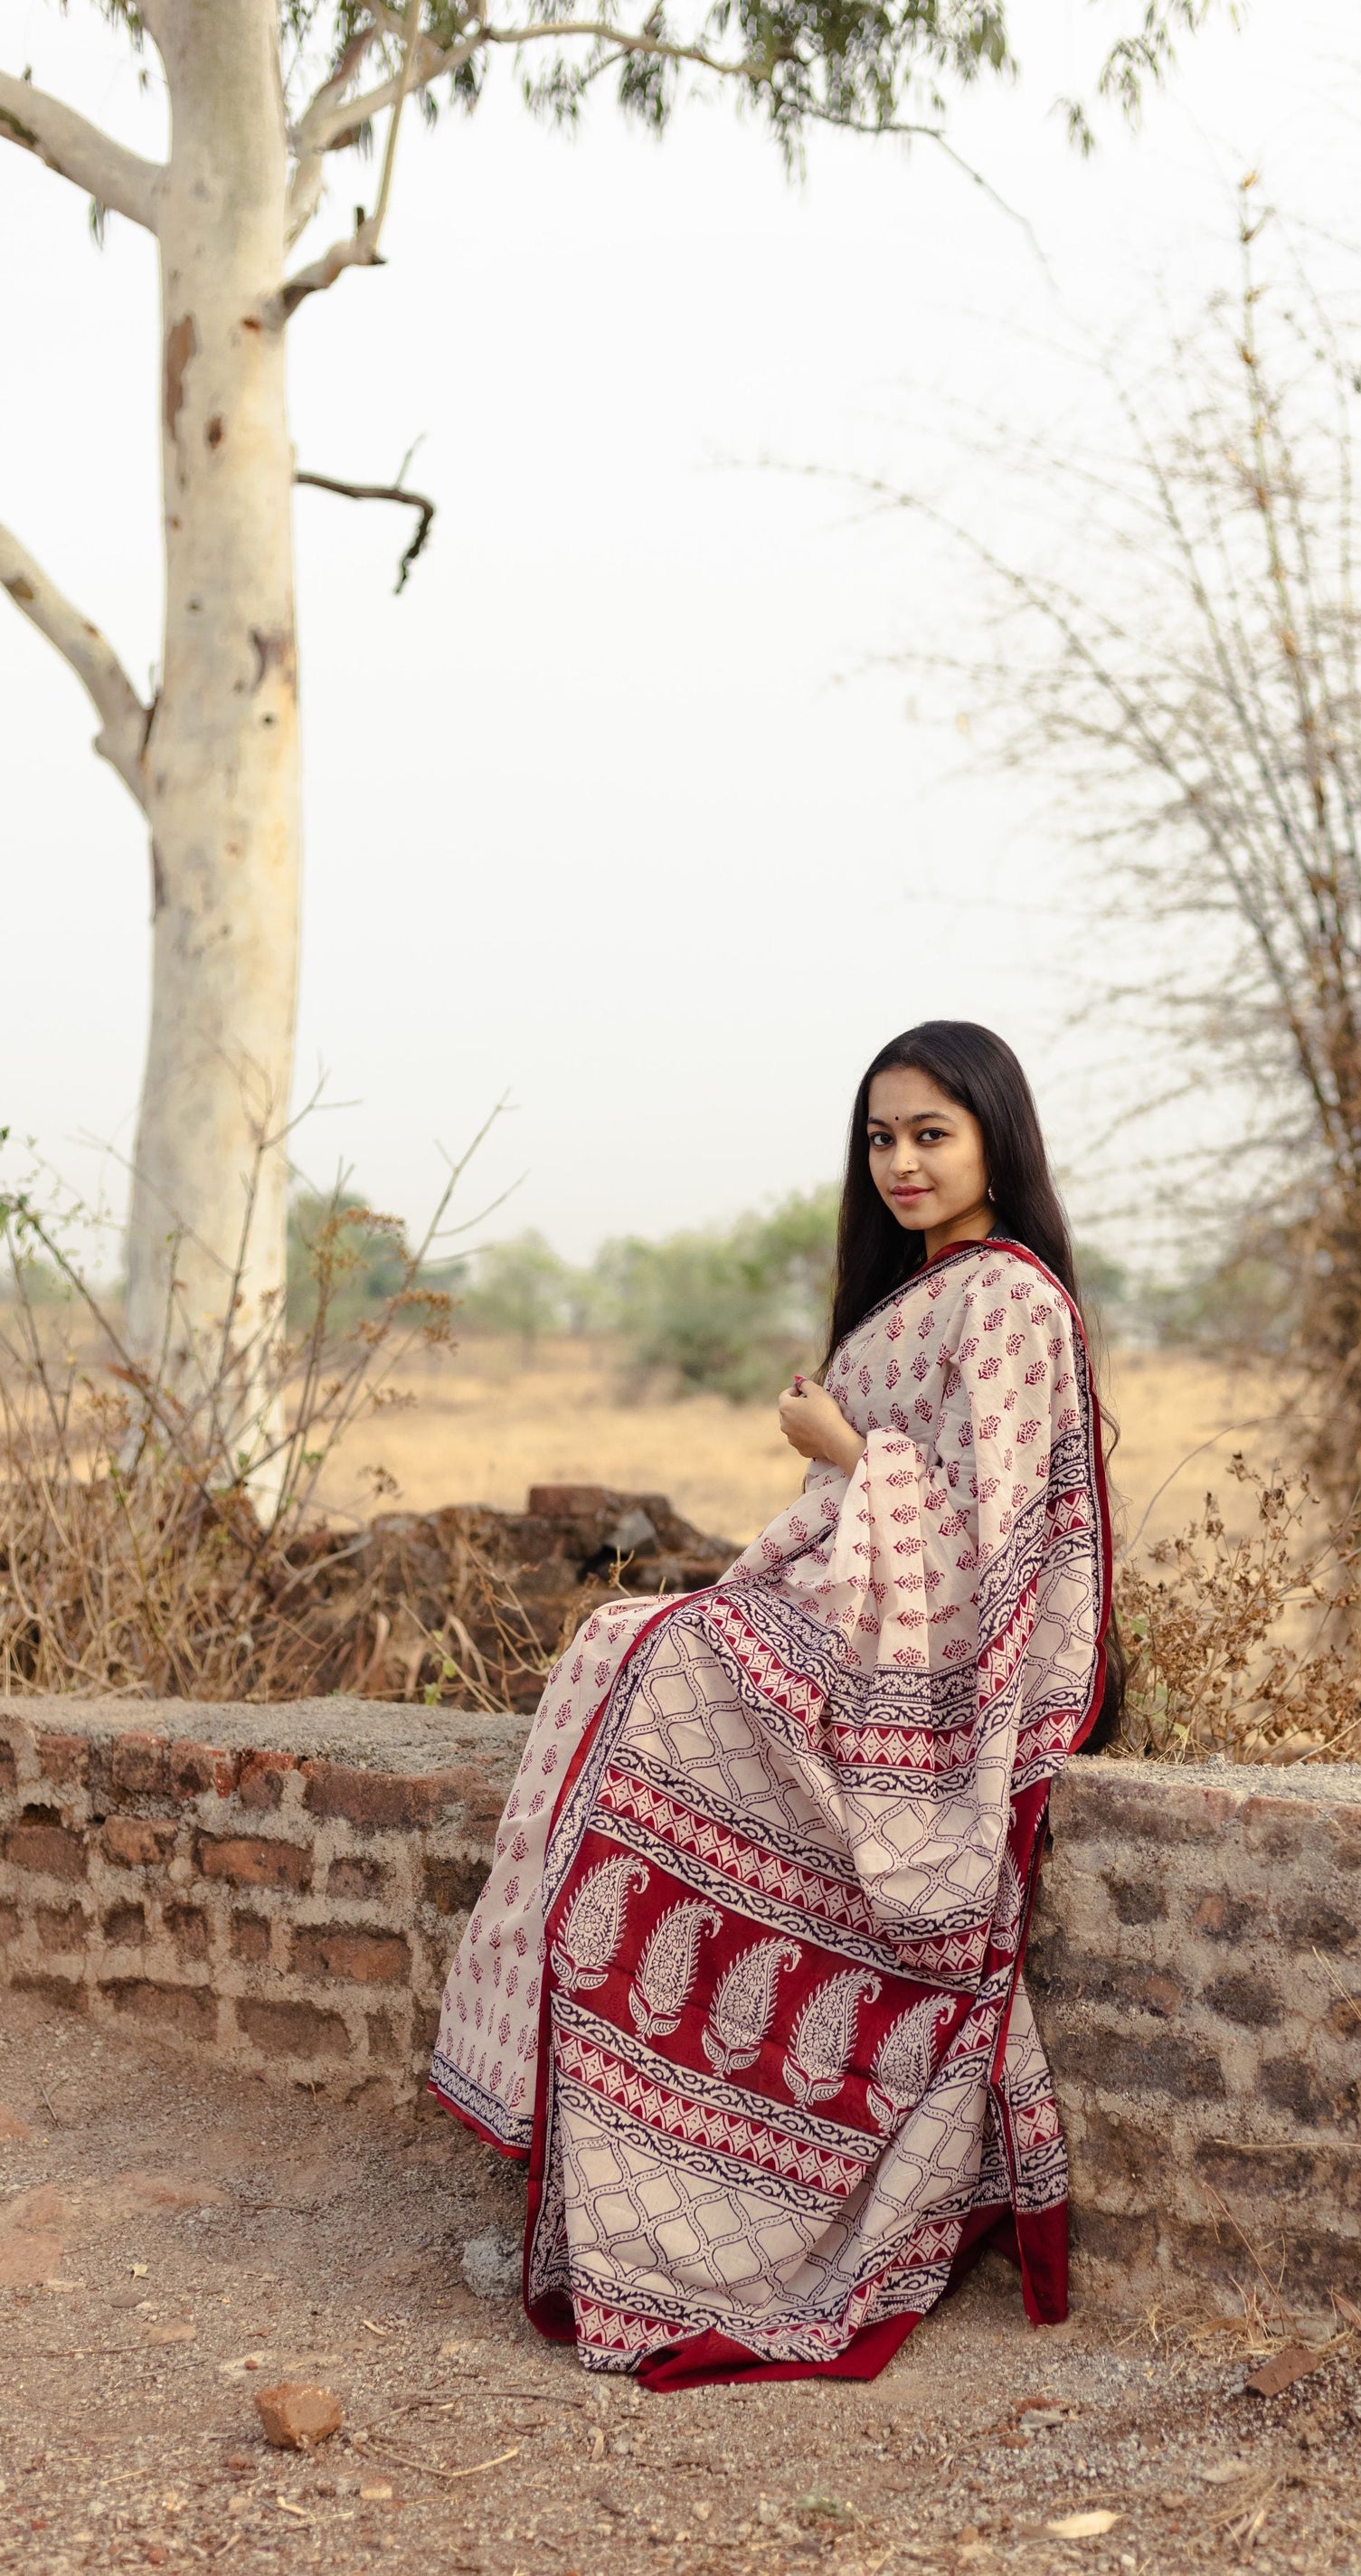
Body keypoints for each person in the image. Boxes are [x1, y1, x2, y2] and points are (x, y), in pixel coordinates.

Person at [430, 1019, 1115, 2383]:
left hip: (931, 1669)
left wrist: (846, 1450)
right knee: (626, 1648)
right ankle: (638, 2183)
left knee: (660, 1660)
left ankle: (724, 2203)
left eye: (931, 1134)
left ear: (994, 1138)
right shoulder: (920, 1288)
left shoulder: (1011, 1301)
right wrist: (844, 1466)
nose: (901, 1163)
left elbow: (999, 1543)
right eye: (881, 1139)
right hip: (861, 1616)